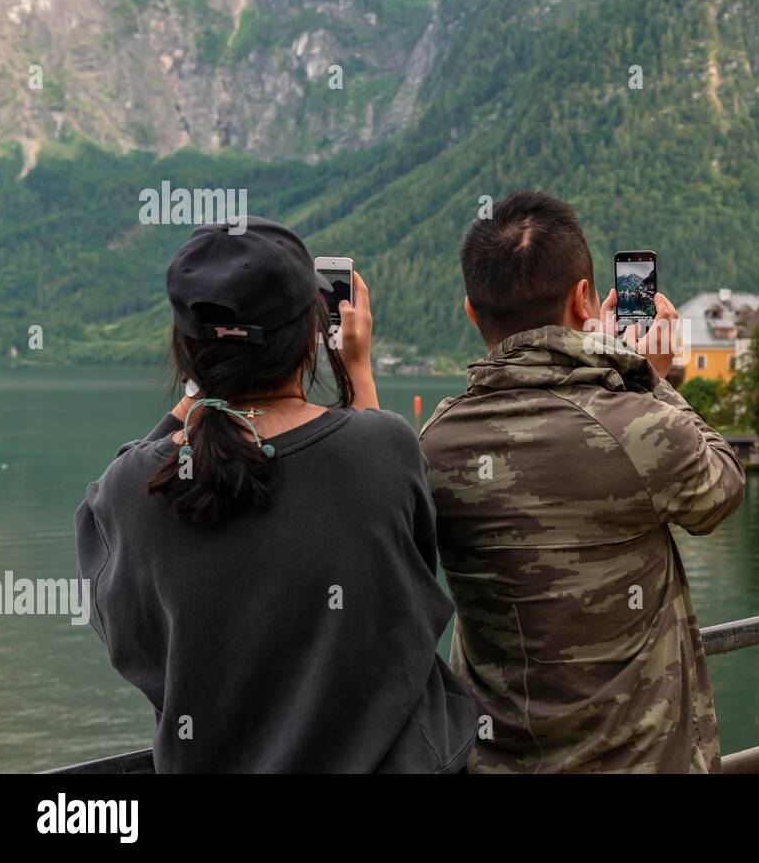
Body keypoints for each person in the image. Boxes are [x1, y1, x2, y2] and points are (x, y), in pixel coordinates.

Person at [75, 217, 477, 772]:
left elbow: (125, 622)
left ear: (185, 351)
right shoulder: (383, 447)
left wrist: (200, 393)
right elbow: (404, 571)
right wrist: (356, 368)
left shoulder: (132, 490)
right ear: (309, 339)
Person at [421, 190, 744, 773]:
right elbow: (723, 488)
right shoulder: (637, 425)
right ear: (584, 300)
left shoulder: (434, 443)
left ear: (471, 311)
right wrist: (652, 379)